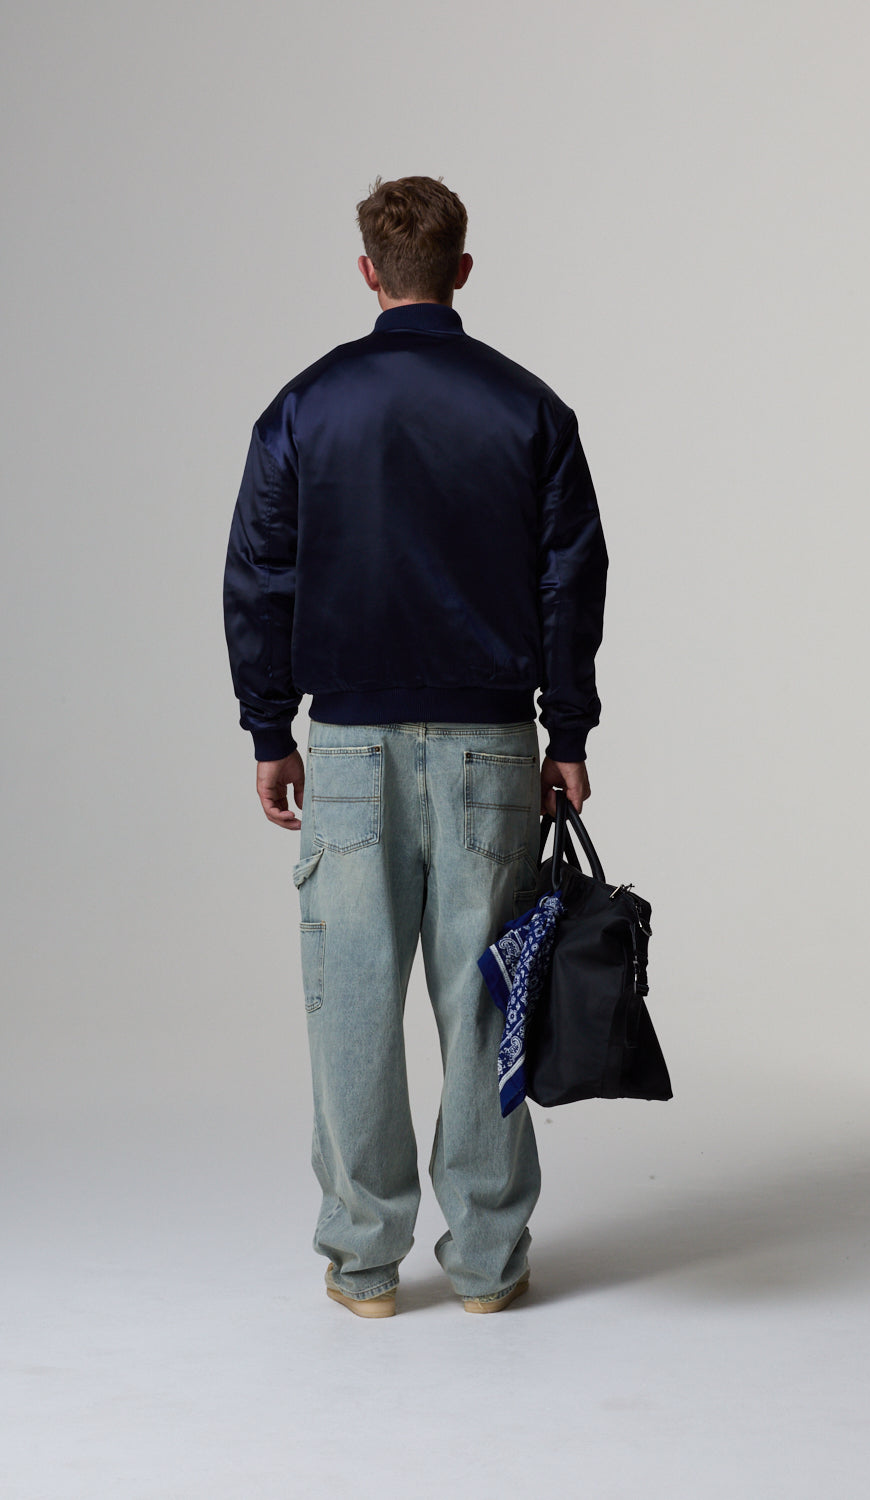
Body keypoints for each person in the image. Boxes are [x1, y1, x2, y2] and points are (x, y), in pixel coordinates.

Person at [222, 174, 608, 1318]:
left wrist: (266, 724)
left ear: (368, 275)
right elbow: (569, 580)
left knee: (349, 1001)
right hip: (494, 742)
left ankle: (365, 1262)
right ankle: (488, 1265)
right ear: (463, 270)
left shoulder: (305, 405)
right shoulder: (528, 407)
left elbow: (259, 574)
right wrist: (569, 728)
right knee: (488, 997)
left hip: (345, 745)